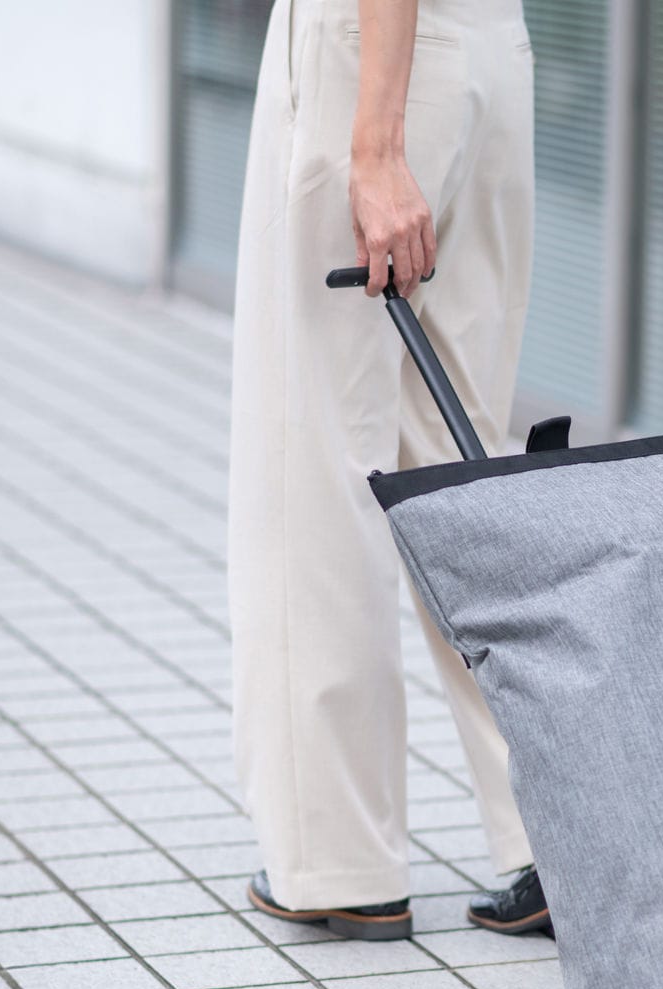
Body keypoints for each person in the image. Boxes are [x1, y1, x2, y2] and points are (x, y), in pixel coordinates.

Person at [226, 0, 547, 940]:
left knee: (318, 470)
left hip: (366, 63)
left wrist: (373, 145)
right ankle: (563, 832)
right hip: (490, 50)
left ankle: (339, 858)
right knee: (464, 468)